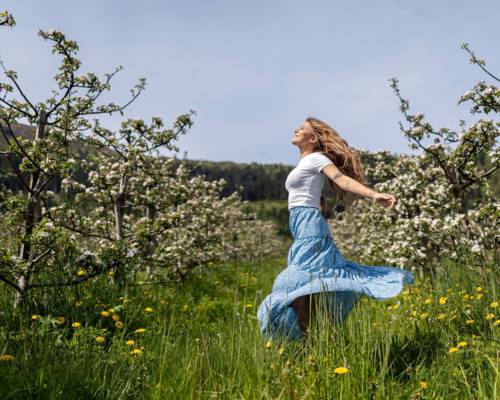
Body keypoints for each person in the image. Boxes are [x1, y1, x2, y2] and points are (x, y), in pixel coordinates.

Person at [257, 117, 415, 341]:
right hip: (302, 227)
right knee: (306, 295)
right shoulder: (305, 163)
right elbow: (313, 194)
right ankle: (321, 346)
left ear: (312, 138)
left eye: (302, 128)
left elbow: (341, 179)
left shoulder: (316, 158)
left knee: (291, 286)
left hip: (310, 229)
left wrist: (373, 195)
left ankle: (321, 344)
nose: (296, 129)